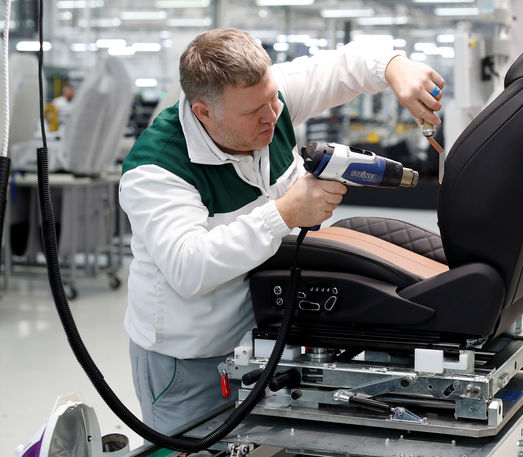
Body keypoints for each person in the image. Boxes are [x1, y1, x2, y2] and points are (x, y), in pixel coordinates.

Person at [119, 28, 445, 432]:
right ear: (205, 112)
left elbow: (350, 64)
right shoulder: (156, 169)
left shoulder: (268, 101)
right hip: (189, 361)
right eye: (254, 110)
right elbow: (190, 268)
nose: (272, 114)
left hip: (263, 344)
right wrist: (285, 213)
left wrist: (397, 68)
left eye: (273, 98)